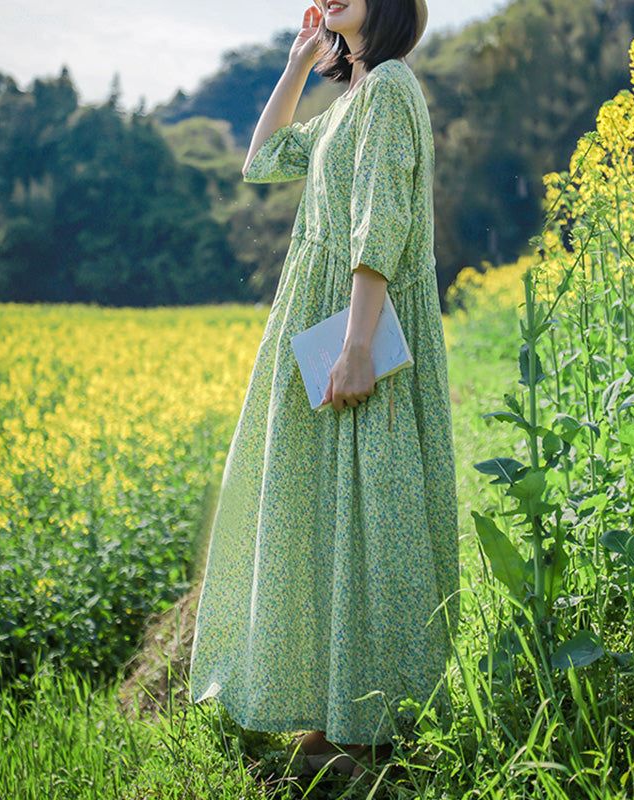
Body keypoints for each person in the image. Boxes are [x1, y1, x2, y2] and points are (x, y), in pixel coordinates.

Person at [188, 0, 459, 782]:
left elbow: (384, 219)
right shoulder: (350, 98)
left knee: (374, 520)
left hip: (353, 330)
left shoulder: (391, 88)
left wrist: (357, 344)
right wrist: (300, 63)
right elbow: (263, 158)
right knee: (327, 518)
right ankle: (333, 717)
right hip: (325, 327)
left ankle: (370, 731)